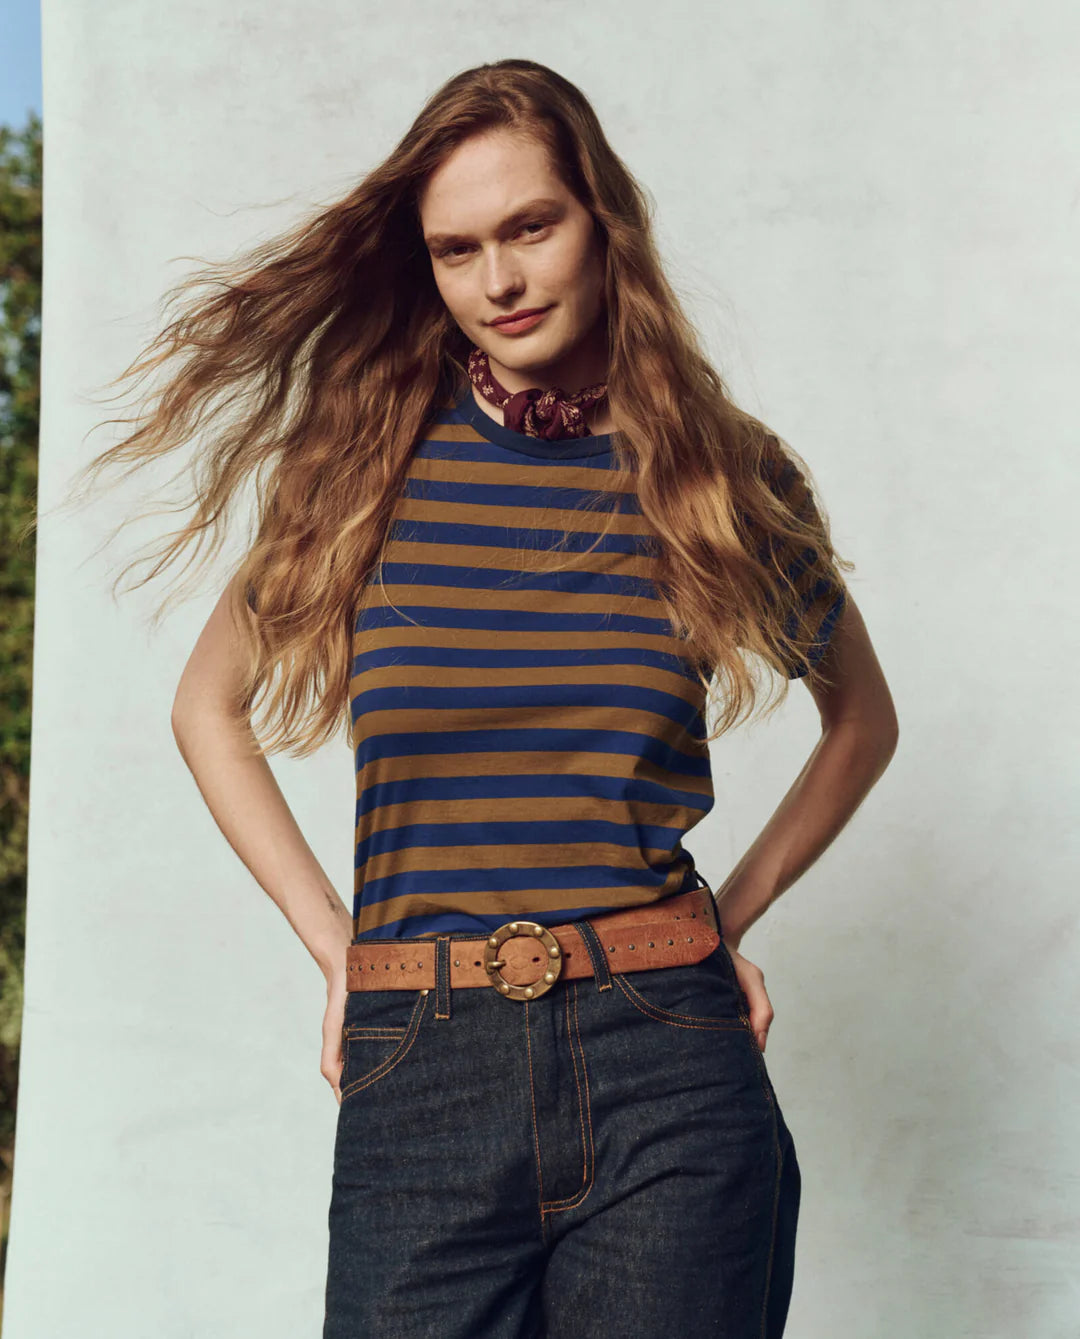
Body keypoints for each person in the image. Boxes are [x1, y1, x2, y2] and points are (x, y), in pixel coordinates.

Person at [74, 57, 897, 1339]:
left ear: (602, 221)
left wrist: (725, 918)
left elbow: (863, 721)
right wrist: (335, 946)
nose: (499, 281)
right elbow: (207, 709)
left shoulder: (717, 474)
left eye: (531, 227)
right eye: (458, 250)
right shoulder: (361, 469)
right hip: (421, 1064)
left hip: (666, 1063)